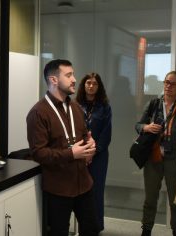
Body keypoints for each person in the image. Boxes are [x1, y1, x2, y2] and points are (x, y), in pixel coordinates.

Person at [26, 59, 99, 236]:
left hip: (84, 184)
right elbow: (38, 153)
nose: (74, 79)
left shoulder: (75, 107)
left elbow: (84, 136)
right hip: (58, 189)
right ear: (54, 80)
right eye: (68, 75)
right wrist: (71, 154)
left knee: (91, 230)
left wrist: (90, 145)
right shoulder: (38, 113)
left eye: (73, 74)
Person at [135, 71, 176, 236]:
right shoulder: (153, 104)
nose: (168, 86)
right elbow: (138, 125)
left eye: (173, 84)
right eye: (166, 82)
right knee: (150, 199)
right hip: (153, 157)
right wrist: (146, 127)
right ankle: (146, 230)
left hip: (174, 159)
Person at [76, 72, 112, 232]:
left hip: (98, 157)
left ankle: (96, 227)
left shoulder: (105, 107)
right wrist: (82, 152)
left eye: (94, 83)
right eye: (88, 83)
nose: (91, 86)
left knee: (96, 191)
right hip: (78, 155)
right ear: (83, 85)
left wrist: (93, 152)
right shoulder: (75, 105)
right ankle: (82, 226)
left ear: (99, 87)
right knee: (78, 191)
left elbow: (106, 133)